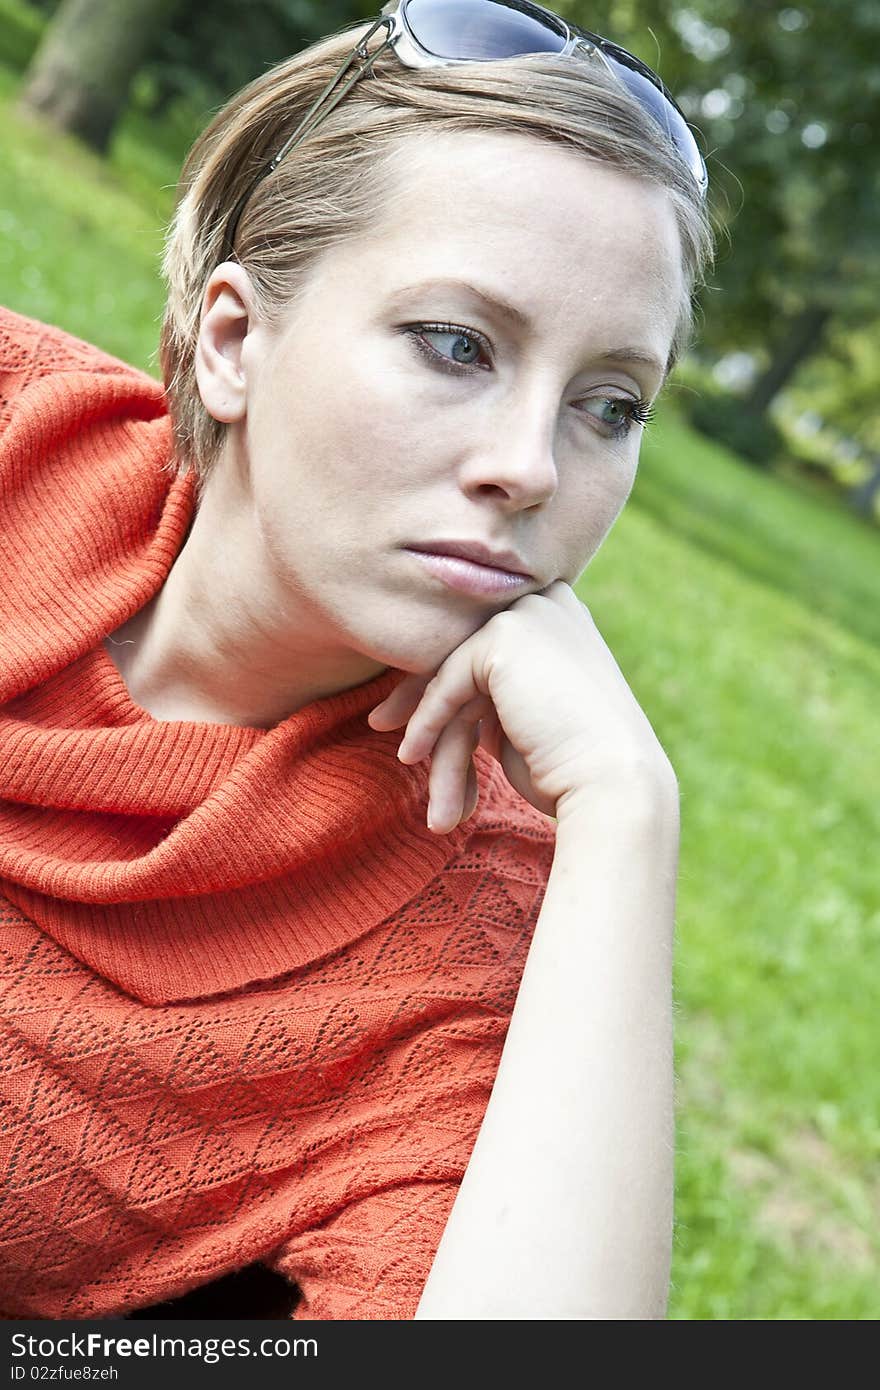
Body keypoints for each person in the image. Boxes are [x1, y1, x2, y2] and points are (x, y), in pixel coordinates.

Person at [0, 0, 712, 1320]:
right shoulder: (16, 421)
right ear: (233, 341)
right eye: (458, 344)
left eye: (609, 404)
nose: (535, 466)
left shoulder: (466, 953)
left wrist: (624, 816)